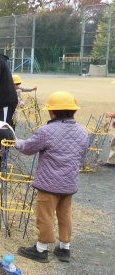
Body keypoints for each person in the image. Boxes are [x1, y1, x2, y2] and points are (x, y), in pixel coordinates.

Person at [15, 91, 89, 263]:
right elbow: (82, 156)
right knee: (65, 214)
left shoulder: (46, 131)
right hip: (69, 183)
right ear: (73, 110)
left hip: (49, 184)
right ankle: (64, 248)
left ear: (53, 112)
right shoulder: (83, 132)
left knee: (45, 215)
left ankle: (41, 249)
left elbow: (28, 148)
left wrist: (17, 142)